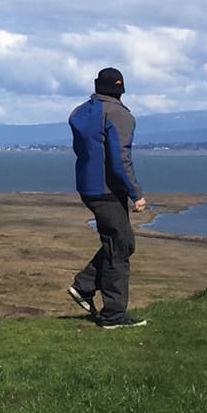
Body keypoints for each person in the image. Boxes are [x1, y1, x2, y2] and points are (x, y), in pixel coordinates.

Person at [66, 66, 149, 328]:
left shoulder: (80, 113)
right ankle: (113, 314)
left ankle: (85, 285)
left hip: (88, 186)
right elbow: (120, 159)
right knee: (120, 247)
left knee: (121, 242)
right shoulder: (119, 115)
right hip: (108, 190)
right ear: (121, 89)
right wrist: (136, 193)